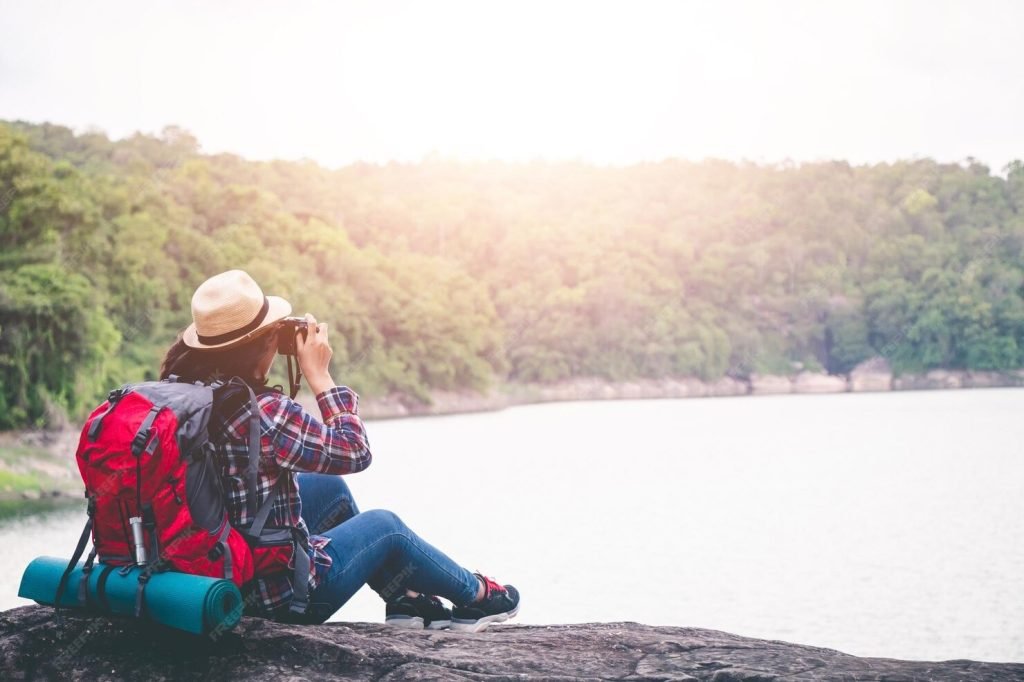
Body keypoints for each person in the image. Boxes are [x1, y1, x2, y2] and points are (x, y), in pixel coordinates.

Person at [158, 269, 519, 631]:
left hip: (217, 572)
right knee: (387, 527)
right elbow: (354, 450)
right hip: (278, 598)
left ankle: (405, 599)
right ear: (264, 344)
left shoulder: (186, 399)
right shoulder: (263, 413)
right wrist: (320, 376)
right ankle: (478, 596)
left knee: (327, 487)